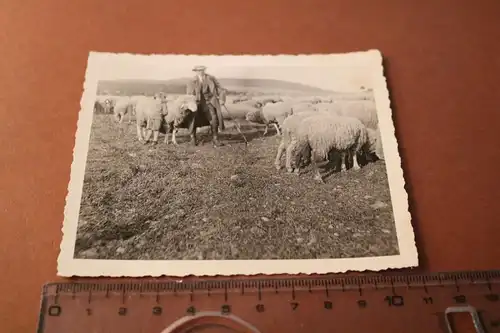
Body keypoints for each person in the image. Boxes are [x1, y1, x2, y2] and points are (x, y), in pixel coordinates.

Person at [186, 65, 227, 147]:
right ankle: (193, 139)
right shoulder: (192, 81)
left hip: (209, 102)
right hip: (196, 103)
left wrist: (222, 99)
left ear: (204, 70)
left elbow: (220, 89)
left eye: (202, 70)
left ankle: (215, 139)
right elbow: (189, 94)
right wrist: (190, 103)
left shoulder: (211, 78)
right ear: (195, 71)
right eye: (198, 70)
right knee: (192, 119)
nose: (200, 72)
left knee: (214, 119)